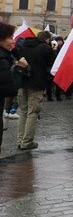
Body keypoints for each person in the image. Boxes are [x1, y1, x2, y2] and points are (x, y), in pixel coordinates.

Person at [17, 30, 55, 150]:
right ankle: (27, 141)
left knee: (23, 112)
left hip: (22, 82)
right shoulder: (45, 48)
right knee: (32, 113)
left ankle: (20, 139)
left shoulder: (24, 45)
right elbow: (52, 63)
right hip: (37, 84)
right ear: (47, 40)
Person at [0, 23, 28, 151]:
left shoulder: (6, 57)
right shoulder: (2, 59)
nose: (13, 41)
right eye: (10, 37)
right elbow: (8, 89)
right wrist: (19, 69)